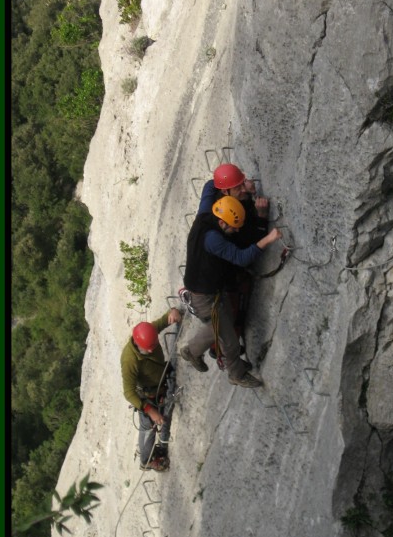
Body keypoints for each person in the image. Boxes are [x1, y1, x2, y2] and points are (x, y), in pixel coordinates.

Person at [180, 195, 282, 388]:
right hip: (205, 297)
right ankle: (236, 374)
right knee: (229, 339)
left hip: (209, 291)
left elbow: (209, 188)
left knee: (220, 326)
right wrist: (268, 239)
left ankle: (192, 351)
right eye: (233, 226)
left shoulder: (204, 215)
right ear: (221, 222)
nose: (236, 230)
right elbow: (241, 258)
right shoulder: (213, 240)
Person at [197, 163, 270, 364]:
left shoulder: (217, 202)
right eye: (237, 187)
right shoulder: (230, 222)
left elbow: (209, 186)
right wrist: (262, 217)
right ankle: (219, 351)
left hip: (214, 269)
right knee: (233, 313)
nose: (241, 189)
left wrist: (237, 185)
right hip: (226, 275)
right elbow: (249, 246)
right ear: (225, 191)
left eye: (241, 184)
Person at [120, 308, 182, 471]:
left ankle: (160, 442)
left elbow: (166, 318)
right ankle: (146, 461)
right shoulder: (129, 360)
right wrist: (149, 410)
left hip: (160, 383)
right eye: (147, 349)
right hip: (146, 396)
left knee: (162, 416)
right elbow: (128, 392)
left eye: (153, 347)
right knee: (148, 428)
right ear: (137, 342)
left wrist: (173, 312)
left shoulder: (150, 332)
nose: (150, 351)